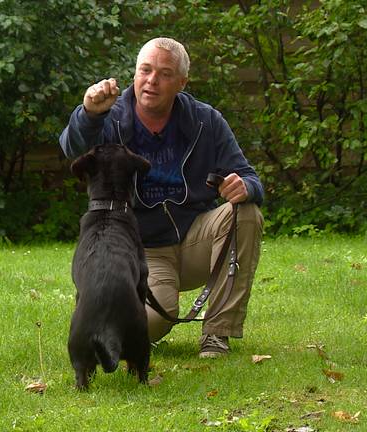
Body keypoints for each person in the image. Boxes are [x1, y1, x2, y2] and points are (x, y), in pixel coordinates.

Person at [59, 37, 264, 358]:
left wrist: (245, 187)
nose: (152, 80)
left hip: (197, 239)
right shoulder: (110, 118)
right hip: (143, 253)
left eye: (165, 74)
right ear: (135, 74)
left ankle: (217, 334)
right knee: (143, 328)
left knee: (246, 212)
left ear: (182, 82)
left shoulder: (205, 121)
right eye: (145, 70)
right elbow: (72, 150)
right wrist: (88, 114)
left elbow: (251, 178)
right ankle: (103, 317)